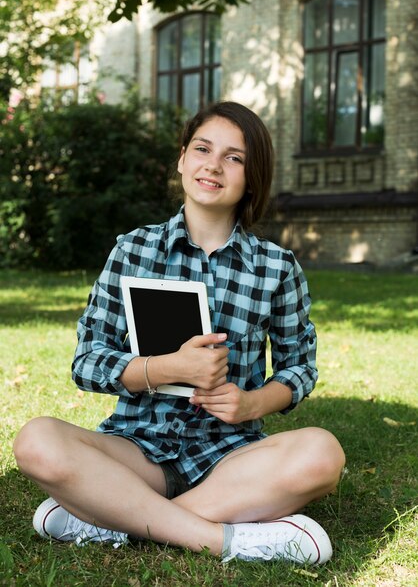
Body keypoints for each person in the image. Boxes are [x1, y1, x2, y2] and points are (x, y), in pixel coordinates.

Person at [13, 101, 345, 564]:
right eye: (203, 148)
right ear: (183, 159)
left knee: (322, 454)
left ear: (253, 177)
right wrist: (164, 368)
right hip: (137, 450)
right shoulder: (132, 250)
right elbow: (87, 361)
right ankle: (226, 541)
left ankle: (113, 519)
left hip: (231, 457)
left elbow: (299, 369)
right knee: (36, 441)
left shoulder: (277, 267)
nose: (213, 164)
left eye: (234, 157)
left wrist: (251, 403)